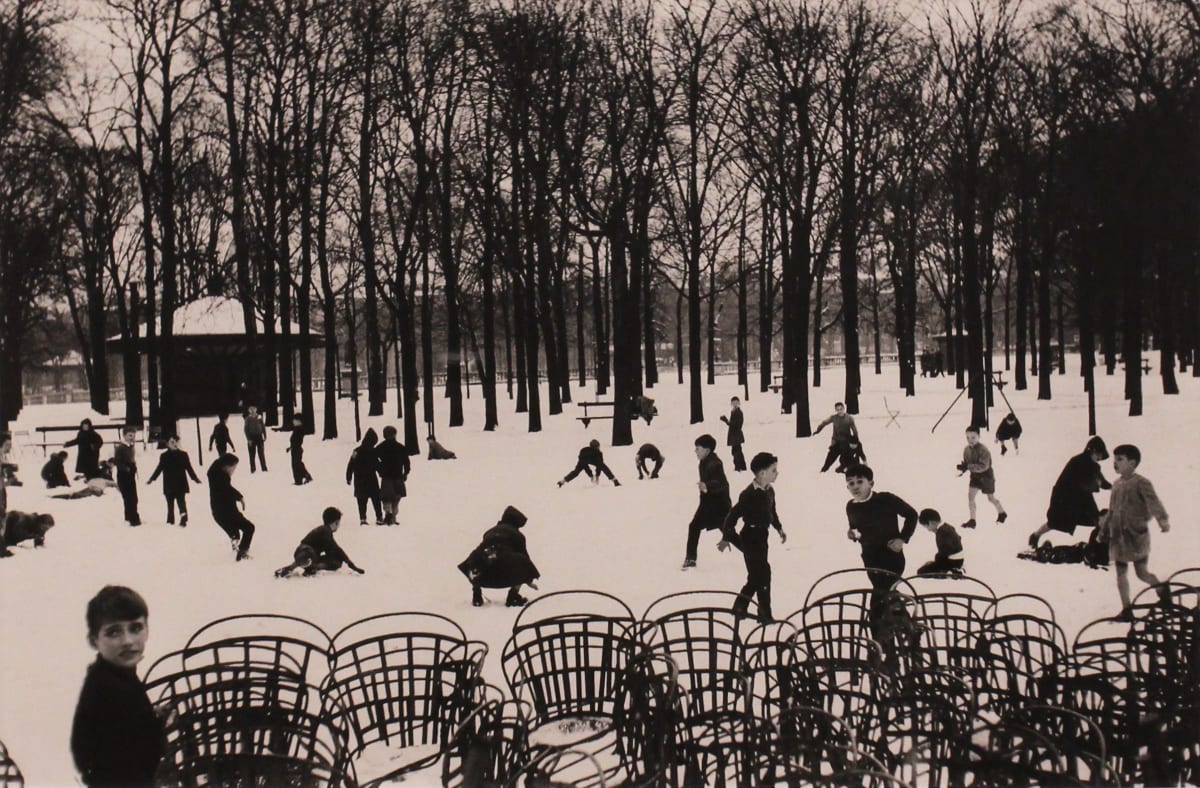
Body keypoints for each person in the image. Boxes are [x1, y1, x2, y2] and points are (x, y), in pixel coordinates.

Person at [70, 586, 166, 788]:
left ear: (148, 629)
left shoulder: (113, 674)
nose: (128, 641)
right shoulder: (109, 688)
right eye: (113, 632)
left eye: (136, 628)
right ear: (94, 640)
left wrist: (150, 718)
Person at [1096, 445, 1171, 622]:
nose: (1115, 463)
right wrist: (1103, 530)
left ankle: (1163, 591)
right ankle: (1126, 609)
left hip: (1136, 536)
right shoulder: (1116, 484)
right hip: (1118, 537)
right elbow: (1112, 511)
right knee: (1120, 573)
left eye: (1120, 459)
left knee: (1141, 572)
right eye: (1114, 460)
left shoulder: (1141, 482)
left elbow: (1154, 503)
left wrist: (1162, 519)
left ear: (1132, 463)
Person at [843, 463, 918, 634]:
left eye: (860, 482)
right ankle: (906, 630)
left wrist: (902, 538)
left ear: (871, 483)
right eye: (850, 483)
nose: (855, 486)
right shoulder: (851, 506)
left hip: (891, 557)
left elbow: (912, 514)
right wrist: (852, 534)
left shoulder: (885, 499)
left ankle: (880, 638)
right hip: (870, 559)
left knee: (879, 599)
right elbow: (855, 527)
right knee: (887, 596)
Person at [717, 452, 787, 623]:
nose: (777, 473)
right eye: (773, 470)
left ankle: (742, 608)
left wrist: (779, 528)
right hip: (749, 537)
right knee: (761, 574)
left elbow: (772, 512)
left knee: (758, 575)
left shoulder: (770, 491)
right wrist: (727, 537)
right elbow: (732, 516)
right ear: (762, 473)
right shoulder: (748, 494)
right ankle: (763, 613)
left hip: (762, 537)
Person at [1028, 436, 1111, 550]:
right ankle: (1036, 536)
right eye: (1098, 454)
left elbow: (1101, 482)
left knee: (1096, 519)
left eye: (1101, 456)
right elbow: (1082, 483)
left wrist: (1111, 487)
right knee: (1055, 522)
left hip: (1083, 497)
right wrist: (1096, 484)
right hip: (1064, 497)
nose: (1099, 457)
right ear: (1091, 451)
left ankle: (1100, 547)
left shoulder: (1095, 466)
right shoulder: (1077, 462)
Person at [458, 505, 541, 607]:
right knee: (521, 561)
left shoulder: (489, 532)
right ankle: (513, 596)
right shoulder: (518, 535)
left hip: (482, 574)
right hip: (503, 572)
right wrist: (529, 578)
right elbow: (525, 559)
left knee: (480, 558)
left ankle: (477, 594)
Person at [682, 434, 731, 569]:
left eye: (698, 448)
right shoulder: (704, 462)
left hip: (718, 506)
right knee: (695, 527)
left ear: (707, 450)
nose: (695, 451)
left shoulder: (714, 464)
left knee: (728, 532)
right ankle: (690, 559)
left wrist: (707, 486)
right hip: (708, 505)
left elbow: (720, 483)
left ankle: (752, 554)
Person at [275, 507, 365, 578]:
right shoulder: (325, 531)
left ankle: (312, 567)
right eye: (339, 523)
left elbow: (334, 550)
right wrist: (352, 565)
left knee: (336, 562)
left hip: (312, 555)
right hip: (304, 551)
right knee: (309, 554)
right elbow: (336, 548)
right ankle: (290, 568)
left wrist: (344, 562)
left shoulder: (325, 531)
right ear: (335, 523)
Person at [207, 454, 255, 561]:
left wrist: (239, 497)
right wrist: (239, 497)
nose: (234, 470)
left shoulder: (215, 475)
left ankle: (237, 549)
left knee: (235, 534)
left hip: (218, 513)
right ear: (226, 466)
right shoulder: (221, 478)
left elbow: (227, 489)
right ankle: (242, 553)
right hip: (228, 512)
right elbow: (227, 490)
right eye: (233, 467)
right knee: (249, 528)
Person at [146, 435, 202, 526]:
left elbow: (189, 468)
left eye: (176, 441)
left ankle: (183, 518)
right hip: (169, 484)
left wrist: (195, 478)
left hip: (180, 483)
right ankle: (170, 520)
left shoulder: (183, 455)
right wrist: (152, 479)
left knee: (181, 502)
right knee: (170, 503)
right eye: (172, 442)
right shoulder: (164, 456)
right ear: (167, 444)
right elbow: (159, 468)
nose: (175, 444)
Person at [957, 425, 1006, 529]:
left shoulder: (984, 450)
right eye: (968, 437)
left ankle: (1002, 513)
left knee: (990, 498)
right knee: (971, 498)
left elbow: (984, 466)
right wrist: (963, 468)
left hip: (986, 477)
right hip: (974, 477)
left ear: (979, 436)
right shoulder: (966, 450)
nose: (970, 440)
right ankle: (972, 520)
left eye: (973, 437)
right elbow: (967, 463)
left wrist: (968, 466)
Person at [346, 428, 383, 525]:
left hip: (359, 479)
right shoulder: (373, 452)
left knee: (361, 499)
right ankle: (379, 517)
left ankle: (362, 518)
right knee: (376, 499)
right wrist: (381, 473)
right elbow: (377, 464)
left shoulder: (356, 451)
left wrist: (348, 476)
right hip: (371, 479)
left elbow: (351, 464)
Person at [375, 426, 410, 525]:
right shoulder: (400, 447)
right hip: (398, 476)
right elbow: (406, 462)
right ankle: (393, 516)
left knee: (386, 497)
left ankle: (388, 513)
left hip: (386, 476)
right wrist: (406, 473)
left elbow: (374, 459)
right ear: (394, 434)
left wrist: (380, 469)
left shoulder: (380, 447)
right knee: (397, 497)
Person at [915, 508, 965, 576]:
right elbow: (959, 538)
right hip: (959, 559)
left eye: (927, 527)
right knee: (932, 564)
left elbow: (946, 549)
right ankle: (953, 568)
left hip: (952, 561)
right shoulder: (947, 526)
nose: (928, 530)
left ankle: (951, 571)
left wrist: (937, 560)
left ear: (931, 523)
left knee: (922, 572)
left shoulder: (941, 532)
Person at [815, 403, 859, 473]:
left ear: (843, 409)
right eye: (837, 409)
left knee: (846, 457)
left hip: (846, 441)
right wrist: (818, 430)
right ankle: (824, 469)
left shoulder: (849, 418)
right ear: (835, 410)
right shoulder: (834, 418)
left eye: (841, 409)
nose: (839, 411)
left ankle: (845, 469)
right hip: (836, 441)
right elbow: (824, 422)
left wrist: (856, 441)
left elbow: (854, 430)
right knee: (831, 456)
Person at [113, 426, 141, 527]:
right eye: (129, 435)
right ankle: (132, 518)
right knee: (129, 498)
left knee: (133, 497)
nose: (132, 437)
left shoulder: (131, 447)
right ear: (124, 436)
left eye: (133, 436)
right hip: (123, 476)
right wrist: (127, 469)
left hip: (130, 475)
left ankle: (131, 517)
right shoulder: (121, 448)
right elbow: (117, 461)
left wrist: (133, 468)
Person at [720, 396, 747, 472]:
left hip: (736, 435)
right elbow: (732, 424)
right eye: (733, 403)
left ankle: (739, 466)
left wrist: (726, 421)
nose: (735, 405)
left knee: (736, 451)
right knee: (737, 450)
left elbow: (737, 424)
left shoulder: (739, 412)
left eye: (736, 403)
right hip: (734, 435)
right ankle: (742, 466)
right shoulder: (733, 412)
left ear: (739, 404)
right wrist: (727, 421)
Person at [286, 415, 314, 485]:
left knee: (297, 464)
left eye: (295, 420)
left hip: (297, 449)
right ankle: (298, 480)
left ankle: (306, 476)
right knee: (295, 464)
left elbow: (297, 441)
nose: (293, 421)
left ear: (299, 421)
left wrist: (293, 446)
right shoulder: (296, 429)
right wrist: (290, 447)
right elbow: (294, 441)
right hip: (294, 449)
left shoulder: (299, 430)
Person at [243, 405, 267, 472]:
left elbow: (263, 426)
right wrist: (248, 439)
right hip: (251, 437)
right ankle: (253, 469)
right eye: (251, 409)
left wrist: (264, 435)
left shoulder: (259, 417)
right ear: (249, 411)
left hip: (259, 437)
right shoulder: (248, 419)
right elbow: (246, 429)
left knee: (261, 453)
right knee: (252, 454)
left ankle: (264, 468)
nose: (253, 411)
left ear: (256, 409)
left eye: (254, 409)